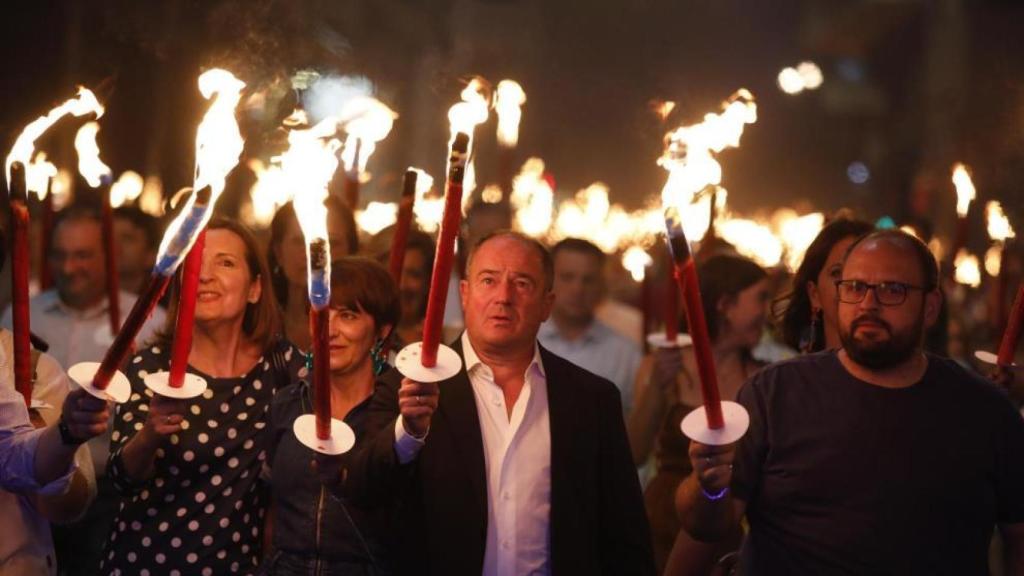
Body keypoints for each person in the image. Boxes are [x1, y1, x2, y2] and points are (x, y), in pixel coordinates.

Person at [677, 229, 1024, 574]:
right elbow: (709, 526)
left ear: (930, 307)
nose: (868, 305)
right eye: (855, 287)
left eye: (892, 290)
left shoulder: (983, 410)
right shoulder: (774, 393)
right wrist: (708, 486)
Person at [334, 231, 655, 575]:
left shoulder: (592, 400)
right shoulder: (409, 384)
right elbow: (362, 490)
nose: (504, 297)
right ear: (465, 293)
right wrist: (408, 432)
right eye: (489, 280)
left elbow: (625, 535)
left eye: (522, 283)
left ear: (547, 305)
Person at [101, 219, 306, 575]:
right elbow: (121, 479)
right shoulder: (152, 367)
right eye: (196, 262)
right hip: (145, 563)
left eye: (225, 262)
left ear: (255, 288)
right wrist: (150, 433)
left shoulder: (282, 366)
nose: (205, 274)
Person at [1, 205, 166, 576]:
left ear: (109, 255)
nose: (70, 267)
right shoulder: (23, 314)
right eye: (59, 255)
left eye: (83, 255)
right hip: (28, 494)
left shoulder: (150, 322)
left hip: (111, 487)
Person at [627, 254, 770, 574]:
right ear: (725, 304)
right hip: (662, 519)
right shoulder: (667, 365)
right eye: (760, 298)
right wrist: (656, 387)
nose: (767, 312)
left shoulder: (762, 380)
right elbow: (635, 450)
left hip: (724, 519)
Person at [263, 257, 399, 575]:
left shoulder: (398, 412)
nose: (330, 330)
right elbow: (270, 510)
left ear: (382, 329)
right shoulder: (287, 404)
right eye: (322, 314)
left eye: (348, 315)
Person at [538, 238, 642, 413]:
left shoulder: (626, 354)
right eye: (567, 277)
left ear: (601, 285)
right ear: (548, 280)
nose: (577, 289)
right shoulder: (525, 342)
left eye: (588, 280)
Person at [268, 197, 359, 351]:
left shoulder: (365, 333)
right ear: (279, 253)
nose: (313, 253)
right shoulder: (256, 328)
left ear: (351, 252)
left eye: (330, 242)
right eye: (299, 241)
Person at [774, 218, 874, 353]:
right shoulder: (786, 373)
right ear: (814, 294)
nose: (854, 284)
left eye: (867, 271)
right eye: (837, 272)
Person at [366, 226, 435, 350]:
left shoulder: (447, 345)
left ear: (428, 281)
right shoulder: (353, 341)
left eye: (414, 274)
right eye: (394, 272)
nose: (402, 285)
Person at [113, 206, 162, 296]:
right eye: (109, 238)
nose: (114, 246)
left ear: (151, 255)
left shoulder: (164, 307)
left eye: (127, 239)